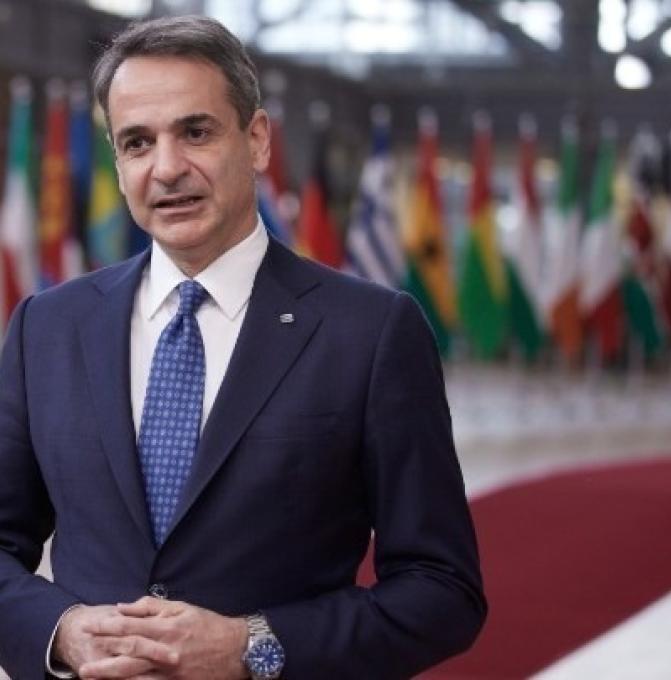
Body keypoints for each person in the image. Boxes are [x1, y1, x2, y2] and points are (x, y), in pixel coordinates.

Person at [0, 15, 486, 680]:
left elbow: (442, 590)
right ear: (117, 161)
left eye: (195, 132)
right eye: (138, 142)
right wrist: (62, 633)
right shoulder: (47, 328)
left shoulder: (370, 333)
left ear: (257, 140)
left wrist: (248, 647)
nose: (167, 168)